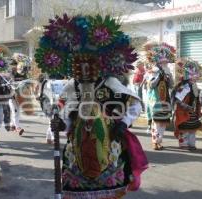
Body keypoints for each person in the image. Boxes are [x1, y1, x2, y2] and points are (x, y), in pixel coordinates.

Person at [35, 14, 148, 199]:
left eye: (89, 63)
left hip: (109, 140)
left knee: (108, 185)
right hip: (78, 144)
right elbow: (65, 110)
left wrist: (123, 123)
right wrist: (62, 124)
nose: (85, 69)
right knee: (77, 186)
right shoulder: (73, 85)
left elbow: (134, 104)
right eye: (80, 64)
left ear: (100, 64)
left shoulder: (111, 82)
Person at [144, 42, 175, 150]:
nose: (165, 62)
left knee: (163, 122)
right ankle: (155, 141)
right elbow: (151, 85)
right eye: (163, 60)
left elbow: (171, 85)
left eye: (166, 60)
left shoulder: (167, 71)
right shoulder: (152, 70)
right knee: (156, 122)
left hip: (165, 99)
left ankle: (159, 141)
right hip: (155, 99)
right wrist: (158, 76)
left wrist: (169, 75)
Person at [172, 58, 202, 150]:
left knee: (193, 128)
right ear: (188, 75)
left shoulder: (194, 85)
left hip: (193, 112)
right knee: (184, 128)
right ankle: (184, 144)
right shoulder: (184, 86)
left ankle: (191, 144)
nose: (196, 76)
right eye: (193, 74)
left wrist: (197, 107)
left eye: (196, 74)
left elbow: (196, 98)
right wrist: (186, 107)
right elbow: (178, 100)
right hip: (184, 112)